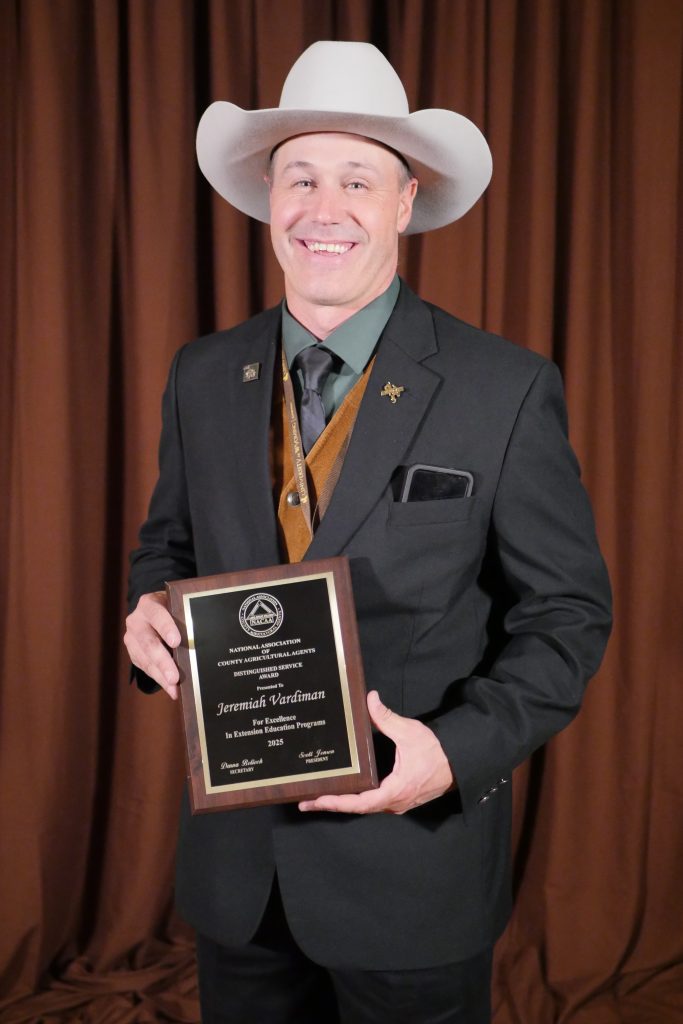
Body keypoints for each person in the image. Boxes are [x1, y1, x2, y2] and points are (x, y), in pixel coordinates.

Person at [124, 41, 611, 1024]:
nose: (324, 206)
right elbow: (166, 550)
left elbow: (567, 614)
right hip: (238, 881)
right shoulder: (202, 375)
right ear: (269, 198)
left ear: (404, 200)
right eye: (300, 177)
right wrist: (144, 617)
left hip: (413, 875)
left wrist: (454, 749)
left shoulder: (501, 388)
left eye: (357, 178)